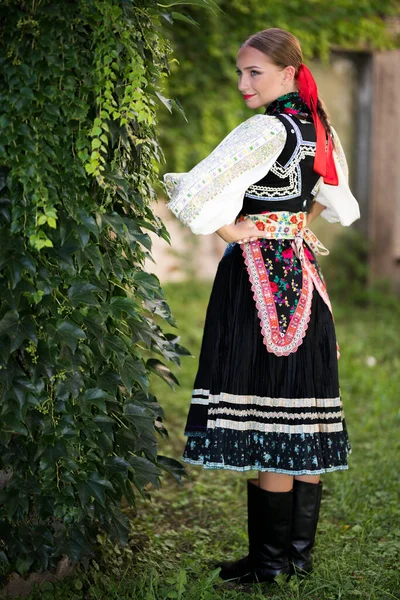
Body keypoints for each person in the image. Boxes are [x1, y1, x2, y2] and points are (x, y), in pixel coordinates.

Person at [164, 28, 360, 584]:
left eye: (254, 72)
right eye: (240, 71)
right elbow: (334, 199)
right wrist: (290, 226)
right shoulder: (319, 125)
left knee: (273, 418)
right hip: (301, 273)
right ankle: (292, 558)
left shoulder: (265, 129)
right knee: (302, 413)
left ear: (287, 72)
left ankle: (271, 567)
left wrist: (235, 229)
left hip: (258, 281)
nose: (243, 82)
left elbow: (192, 191)